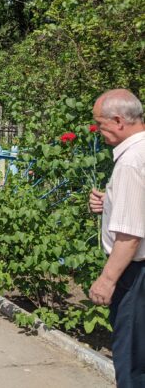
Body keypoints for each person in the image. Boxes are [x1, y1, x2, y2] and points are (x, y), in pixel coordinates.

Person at [88, 89, 144, 387]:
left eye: (100, 123)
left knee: (131, 363)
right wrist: (108, 203)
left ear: (119, 120)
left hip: (134, 276)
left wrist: (106, 280)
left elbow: (131, 234)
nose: (97, 130)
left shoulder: (131, 161)